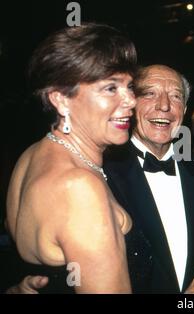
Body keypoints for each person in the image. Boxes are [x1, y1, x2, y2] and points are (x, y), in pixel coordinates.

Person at [5, 23, 137, 293]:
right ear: (61, 100)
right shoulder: (79, 189)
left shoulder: (30, 156)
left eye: (129, 86)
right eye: (111, 88)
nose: (131, 101)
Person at [101, 64, 194, 293]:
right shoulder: (103, 173)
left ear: (184, 110)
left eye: (175, 96)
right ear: (130, 103)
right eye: (150, 93)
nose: (164, 105)